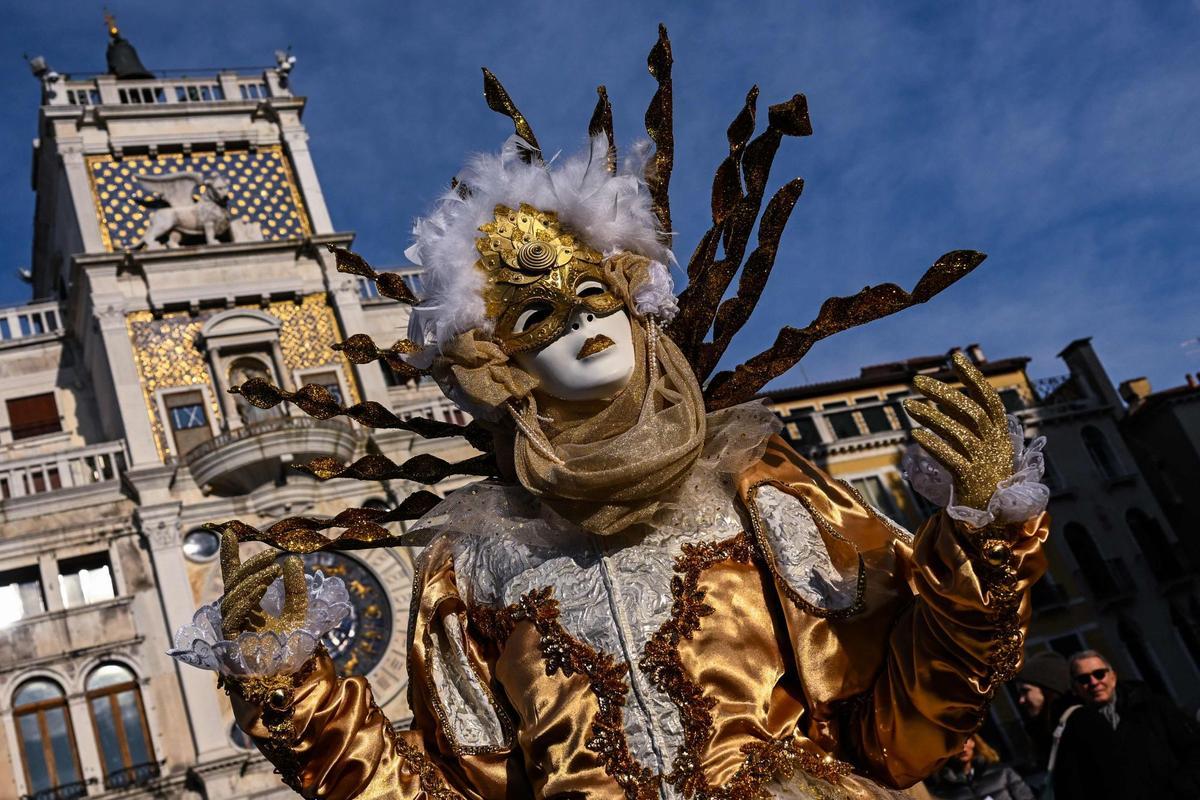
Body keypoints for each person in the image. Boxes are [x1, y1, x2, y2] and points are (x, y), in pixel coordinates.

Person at [168, 33, 1054, 799]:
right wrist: (292, 687)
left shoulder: (752, 488)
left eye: (592, 294)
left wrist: (983, 543)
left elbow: (900, 716)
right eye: (536, 316)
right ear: (496, 364)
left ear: (635, 300)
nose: (582, 323)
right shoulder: (472, 566)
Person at [1070, 650, 1200, 799]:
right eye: (1084, 679)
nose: (1094, 682)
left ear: (1113, 677)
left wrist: (1181, 790)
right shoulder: (1076, 731)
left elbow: (1194, 751)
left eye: (1099, 674)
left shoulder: (1155, 707)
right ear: (1076, 688)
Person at [1013, 651, 1123, 799]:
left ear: (1048, 689)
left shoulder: (1082, 721)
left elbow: (1113, 781)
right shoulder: (1051, 730)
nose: (1021, 701)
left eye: (1025, 692)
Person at [926, 735, 1033, 800]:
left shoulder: (1003, 773)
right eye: (954, 743)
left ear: (974, 742)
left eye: (965, 740)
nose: (962, 748)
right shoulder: (942, 792)